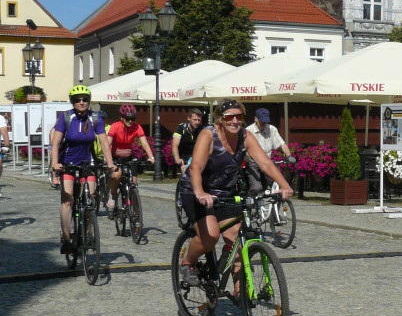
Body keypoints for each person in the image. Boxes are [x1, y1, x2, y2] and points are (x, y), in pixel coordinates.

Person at [178, 99, 293, 290]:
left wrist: (284, 185)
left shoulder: (245, 136)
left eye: (238, 116)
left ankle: (241, 295)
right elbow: (196, 167)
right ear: (220, 119)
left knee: (239, 244)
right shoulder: (209, 134)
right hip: (196, 190)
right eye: (229, 117)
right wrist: (200, 192)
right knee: (211, 236)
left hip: (225, 193)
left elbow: (265, 163)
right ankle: (187, 263)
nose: (234, 121)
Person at [50, 85, 114, 254]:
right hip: (68, 163)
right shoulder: (65, 118)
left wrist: (110, 163)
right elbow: (55, 143)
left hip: (88, 162)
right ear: (73, 101)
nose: (82, 102)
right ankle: (66, 237)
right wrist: (55, 164)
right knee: (67, 199)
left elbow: (104, 143)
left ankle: (87, 232)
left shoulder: (96, 118)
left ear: (89, 101)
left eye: (85, 99)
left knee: (91, 197)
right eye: (78, 99)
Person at [105, 103, 155, 215]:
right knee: (117, 175)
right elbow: (108, 143)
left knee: (133, 182)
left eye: (133, 118)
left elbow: (145, 143)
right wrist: (107, 159)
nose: (131, 121)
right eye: (128, 118)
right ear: (122, 118)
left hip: (128, 156)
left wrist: (151, 157)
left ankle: (135, 212)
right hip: (115, 157)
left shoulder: (137, 127)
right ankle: (113, 195)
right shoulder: (115, 126)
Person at [245, 107, 294, 195]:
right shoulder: (248, 131)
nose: (264, 124)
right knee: (257, 188)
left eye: (265, 121)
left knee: (273, 183)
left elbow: (282, 144)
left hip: (267, 162)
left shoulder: (272, 129)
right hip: (253, 163)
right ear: (256, 119)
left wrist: (289, 156)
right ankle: (252, 203)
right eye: (261, 121)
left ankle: (274, 206)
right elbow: (245, 150)